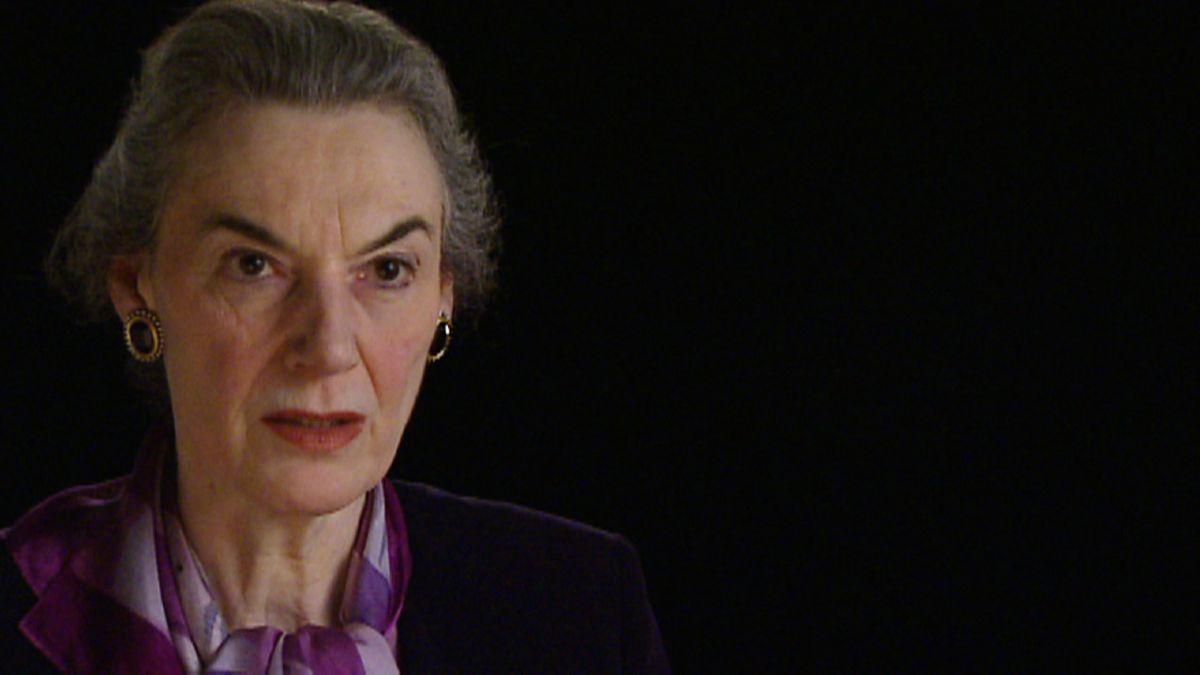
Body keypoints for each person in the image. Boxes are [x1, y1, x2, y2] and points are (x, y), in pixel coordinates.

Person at [0, 0, 669, 671]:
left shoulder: (581, 609)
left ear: (443, 295)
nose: (328, 349)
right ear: (136, 286)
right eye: (253, 265)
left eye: (387, 270)